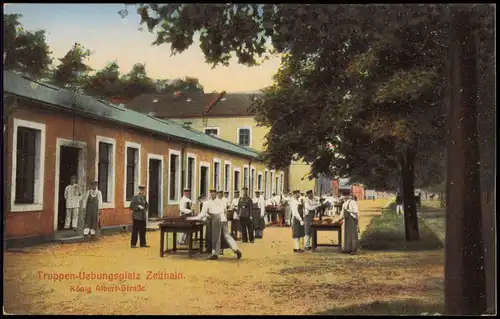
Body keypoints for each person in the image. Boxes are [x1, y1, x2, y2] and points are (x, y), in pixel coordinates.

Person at [199, 189, 242, 260]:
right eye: (211, 193)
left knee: (216, 237)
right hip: (223, 219)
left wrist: (201, 218)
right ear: (210, 194)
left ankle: (214, 254)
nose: (212, 195)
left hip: (219, 220)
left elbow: (203, 214)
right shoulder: (219, 201)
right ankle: (236, 249)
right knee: (227, 236)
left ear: (215, 194)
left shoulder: (210, 202)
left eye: (213, 193)